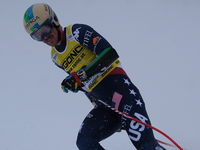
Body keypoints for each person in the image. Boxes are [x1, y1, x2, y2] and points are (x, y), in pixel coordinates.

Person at [23, 3, 166, 150]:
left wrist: (80, 76)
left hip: (125, 98)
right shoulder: (55, 57)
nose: (45, 37)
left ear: (55, 20)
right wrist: (74, 83)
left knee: (146, 145)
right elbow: (86, 86)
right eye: (38, 36)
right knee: (84, 141)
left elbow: (109, 53)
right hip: (106, 109)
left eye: (45, 29)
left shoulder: (76, 32)